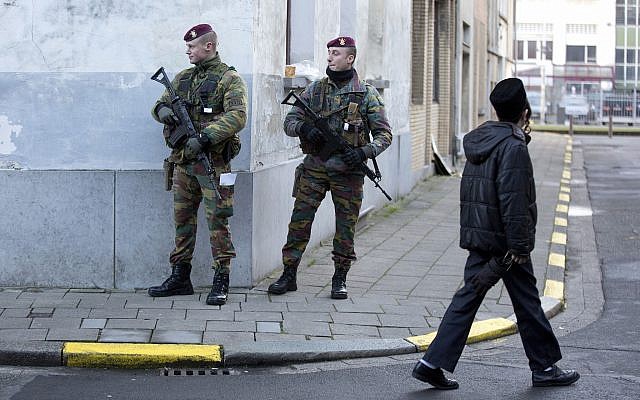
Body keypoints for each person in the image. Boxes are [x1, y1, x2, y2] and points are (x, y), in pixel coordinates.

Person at [411, 78, 580, 389]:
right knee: (527, 302)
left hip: (482, 238)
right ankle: (543, 368)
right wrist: (519, 246)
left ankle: (430, 362)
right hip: (506, 245)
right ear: (525, 112)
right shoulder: (513, 147)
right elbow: (514, 201)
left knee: (468, 298)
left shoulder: (481, 140)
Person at [268, 36, 392, 299]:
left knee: (346, 226)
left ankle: (340, 276)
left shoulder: (366, 94)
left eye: (336, 53)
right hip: (314, 168)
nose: (329, 57)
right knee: (299, 222)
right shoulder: (314, 90)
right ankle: (289, 273)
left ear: (350, 58)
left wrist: (362, 152)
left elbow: (384, 135)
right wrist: (304, 128)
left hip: (348, 173)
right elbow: (290, 121)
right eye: (329, 53)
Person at [147, 24, 247, 306]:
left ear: (209, 46)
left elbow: (238, 116)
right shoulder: (182, 79)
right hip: (183, 164)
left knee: (218, 221)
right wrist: (162, 111)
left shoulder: (230, 79)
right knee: (182, 222)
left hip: (213, 165)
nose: (187, 51)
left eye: (192, 47)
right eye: (187, 47)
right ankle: (180, 277)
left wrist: (204, 138)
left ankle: (221, 278)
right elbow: (159, 105)